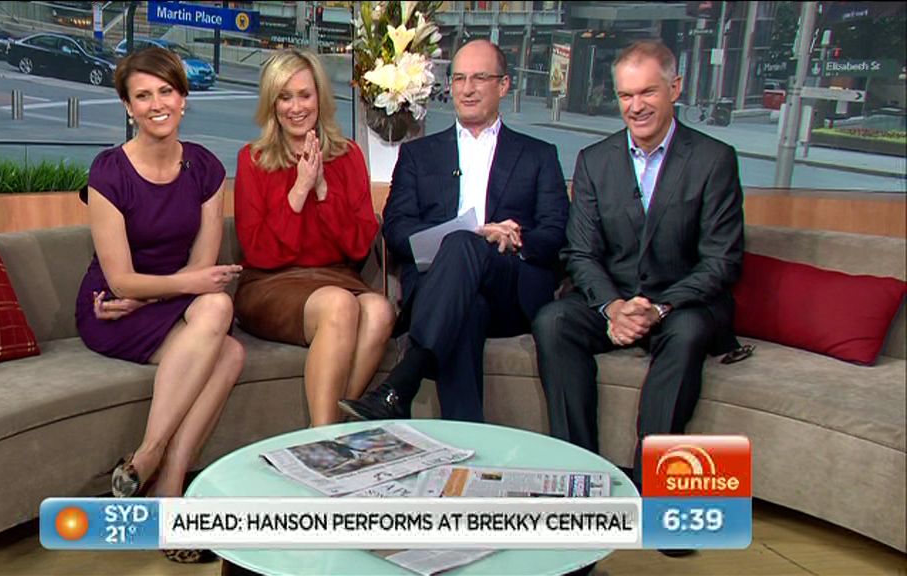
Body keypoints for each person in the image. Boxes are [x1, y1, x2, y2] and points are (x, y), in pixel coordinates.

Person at [532, 40, 746, 500]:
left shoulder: (713, 159)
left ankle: (655, 490)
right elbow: (580, 253)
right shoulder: (595, 161)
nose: (636, 106)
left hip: (682, 303)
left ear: (675, 88)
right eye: (626, 95)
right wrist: (613, 307)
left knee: (688, 333)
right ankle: (581, 478)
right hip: (616, 299)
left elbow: (722, 261)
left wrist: (659, 307)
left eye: (647, 92)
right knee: (554, 321)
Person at [339, 40, 568, 422]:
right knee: (467, 300)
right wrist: (459, 236)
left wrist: (513, 238)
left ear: (504, 85)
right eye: (459, 78)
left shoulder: (538, 155)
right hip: (440, 286)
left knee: (467, 247)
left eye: (479, 78)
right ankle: (466, 441)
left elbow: (556, 232)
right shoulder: (419, 154)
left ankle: (404, 381)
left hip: (510, 288)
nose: (467, 89)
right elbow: (396, 228)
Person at [75, 47, 244, 563]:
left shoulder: (205, 167)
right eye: (143, 96)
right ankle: (167, 485)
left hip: (167, 299)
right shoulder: (108, 171)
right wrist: (147, 290)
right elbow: (121, 279)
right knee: (227, 347)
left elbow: (203, 268)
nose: (157, 105)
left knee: (218, 313)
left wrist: (162, 289)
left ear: (183, 99)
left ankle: (156, 468)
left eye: (166, 91)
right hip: (114, 310)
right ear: (128, 108)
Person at [233, 48, 395, 426]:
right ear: (272, 104)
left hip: (335, 277)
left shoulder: (348, 156)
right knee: (340, 305)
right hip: (271, 283)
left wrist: (322, 189)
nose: (296, 107)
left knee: (380, 311)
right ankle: (323, 436)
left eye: (304, 95)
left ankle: (329, 428)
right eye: (284, 97)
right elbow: (258, 252)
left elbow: (359, 245)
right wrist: (299, 189)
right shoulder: (253, 159)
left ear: (319, 97)